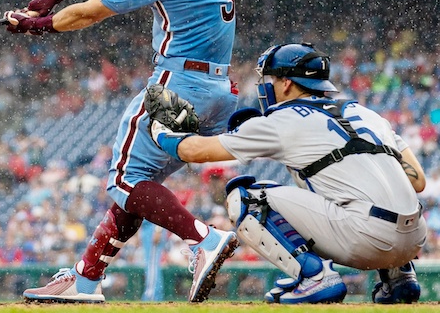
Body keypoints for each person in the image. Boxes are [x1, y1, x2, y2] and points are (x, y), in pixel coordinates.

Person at [5, 0, 239, 303]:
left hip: (175, 88)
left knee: (124, 179)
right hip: (218, 89)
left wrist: (33, 26)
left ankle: (203, 240)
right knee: (141, 187)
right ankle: (85, 279)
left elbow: (87, 15)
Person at [148, 42, 427, 304]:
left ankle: (315, 278)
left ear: (286, 83)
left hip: (366, 240)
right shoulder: (366, 114)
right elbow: (417, 181)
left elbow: (195, 152)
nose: (265, 86)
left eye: (269, 79)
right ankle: (400, 278)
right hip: (414, 238)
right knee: (361, 189)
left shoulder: (284, 118)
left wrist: (160, 131)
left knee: (246, 197)